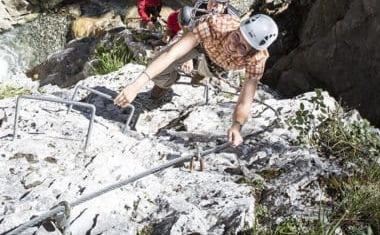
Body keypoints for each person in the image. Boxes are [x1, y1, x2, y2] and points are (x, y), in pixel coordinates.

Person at [114, 13, 278, 147]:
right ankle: (166, 83)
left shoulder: (257, 59)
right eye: (236, 37)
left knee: (202, 71)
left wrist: (237, 126)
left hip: (217, 64)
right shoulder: (216, 25)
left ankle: (200, 72)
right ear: (236, 29)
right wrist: (136, 85)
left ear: (251, 53)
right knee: (160, 70)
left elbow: (245, 100)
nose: (233, 46)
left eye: (243, 47)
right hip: (200, 42)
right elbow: (173, 53)